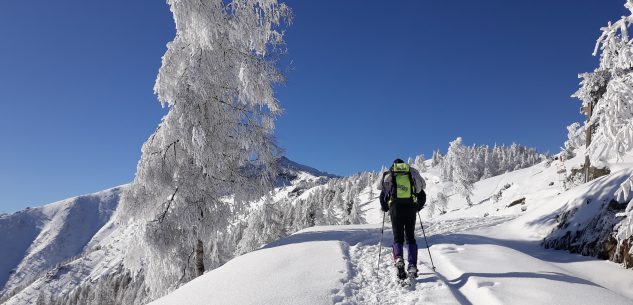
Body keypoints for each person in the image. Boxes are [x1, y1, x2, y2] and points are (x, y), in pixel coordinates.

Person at [378, 158, 426, 280]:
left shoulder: (389, 175)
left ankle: (399, 258)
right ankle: (412, 266)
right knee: (410, 237)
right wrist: (417, 208)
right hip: (410, 207)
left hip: (395, 208)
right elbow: (422, 194)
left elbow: (382, 196)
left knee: (398, 237)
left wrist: (385, 208)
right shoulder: (412, 173)